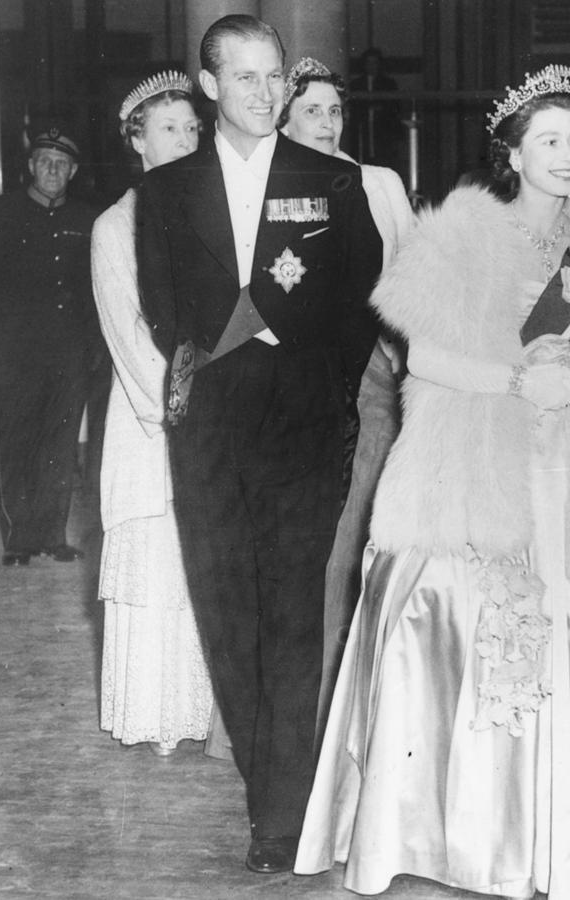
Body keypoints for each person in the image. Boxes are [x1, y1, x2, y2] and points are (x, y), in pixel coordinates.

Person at [295, 68, 570, 898]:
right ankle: (475, 836)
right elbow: (420, 357)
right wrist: (515, 384)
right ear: (510, 151)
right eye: (548, 141)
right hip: (483, 454)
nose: (568, 156)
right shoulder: (462, 231)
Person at [136, 14, 383, 874]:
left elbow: (362, 300)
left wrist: (320, 386)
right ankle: (264, 775)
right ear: (208, 86)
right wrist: (223, 362)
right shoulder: (166, 194)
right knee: (227, 611)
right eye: (243, 77)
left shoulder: (333, 180)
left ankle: (281, 816)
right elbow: (165, 310)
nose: (264, 92)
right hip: (211, 422)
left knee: (288, 614)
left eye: (273, 75)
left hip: (304, 418)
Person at [276, 56, 416, 743]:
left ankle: (364, 699)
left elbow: (411, 278)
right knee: (312, 536)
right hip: (299, 383)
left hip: (373, 377)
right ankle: (312, 696)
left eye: (334, 111)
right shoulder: (268, 189)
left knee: (370, 523)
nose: (326, 124)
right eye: (312, 112)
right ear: (284, 119)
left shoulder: (378, 182)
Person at [93, 73, 216, 758]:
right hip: (155, 426)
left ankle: (202, 713)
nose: (186, 139)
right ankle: (154, 715)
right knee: (159, 566)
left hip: (217, 413)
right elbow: (128, 335)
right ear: (137, 140)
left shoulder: (212, 213)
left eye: (193, 128)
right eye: (170, 128)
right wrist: (182, 408)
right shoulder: (117, 224)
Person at [0, 125, 102, 566]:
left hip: (70, 352)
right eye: (44, 161)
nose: (52, 169)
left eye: (62, 163)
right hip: (18, 351)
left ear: (72, 171)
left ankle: (53, 534)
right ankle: (19, 538)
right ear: (31, 166)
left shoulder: (88, 221)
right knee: (16, 441)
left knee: (58, 443)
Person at [346, 47, 401, 165]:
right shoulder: (355, 84)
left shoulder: (389, 84)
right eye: (368, 63)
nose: (371, 66)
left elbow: (394, 109)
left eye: (375, 63)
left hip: (382, 132)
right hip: (362, 132)